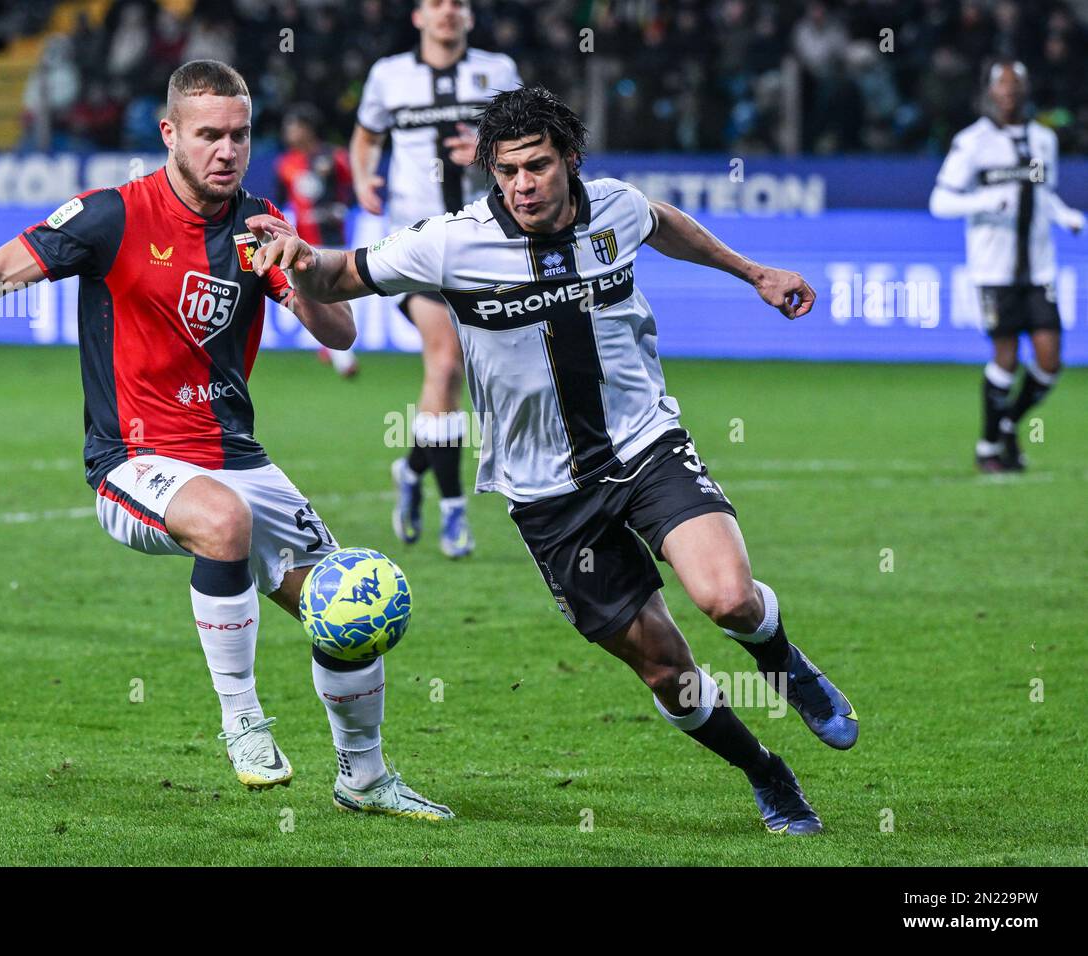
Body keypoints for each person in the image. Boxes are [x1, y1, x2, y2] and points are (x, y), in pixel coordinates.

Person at [0, 59, 452, 822]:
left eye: (240, 135)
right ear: (169, 134)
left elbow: (340, 330)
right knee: (222, 522)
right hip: (134, 459)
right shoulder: (112, 216)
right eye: (209, 135)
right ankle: (243, 722)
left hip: (237, 455)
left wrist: (298, 265)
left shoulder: (259, 224)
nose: (227, 150)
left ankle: (365, 778)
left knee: (350, 605)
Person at [246, 86, 859, 835]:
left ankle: (782, 662)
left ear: (570, 160)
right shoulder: (452, 242)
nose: (522, 185)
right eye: (506, 172)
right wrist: (299, 260)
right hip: (546, 495)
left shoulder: (617, 207)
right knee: (667, 670)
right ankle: (767, 773)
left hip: (644, 446)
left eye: (537, 166)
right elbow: (339, 276)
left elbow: (665, 225)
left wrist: (753, 271)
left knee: (728, 598)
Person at [352, 0, 521, 558]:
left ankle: (412, 467)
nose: (448, 12)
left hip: (486, 242)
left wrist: (483, 151)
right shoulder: (388, 76)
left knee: (469, 382)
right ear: (418, 17)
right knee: (443, 362)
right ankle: (453, 513)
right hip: (417, 242)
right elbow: (366, 136)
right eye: (436, 4)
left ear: (470, 17)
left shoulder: (498, 72)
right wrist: (361, 178)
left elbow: (523, 144)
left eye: (458, 4)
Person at [929, 61, 1084, 472]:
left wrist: (1065, 214)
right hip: (994, 269)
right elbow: (940, 201)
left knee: (1050, 361)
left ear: (1027, 89)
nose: (1010, 93)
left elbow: (1042, 192)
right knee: (1007, 357)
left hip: (1039, 268)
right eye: (1003, 86)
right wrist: (984, 202)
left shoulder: (1043, 139)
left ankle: (1008, 424)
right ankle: (987, 448)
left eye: (1016, 86)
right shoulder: (972, 142)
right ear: (990, 92)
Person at [275, 103, 359, 378]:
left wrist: (338, 208)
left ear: (307, 129)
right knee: (314, 295)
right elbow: (283, 200)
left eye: (293, 126)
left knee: (333, 294)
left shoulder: (334, 157)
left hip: (332, 239)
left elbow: (350, 189)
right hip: (304, 241)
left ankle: (341, 356)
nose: (289, 132)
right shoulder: (285, 164)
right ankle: (335, 350)